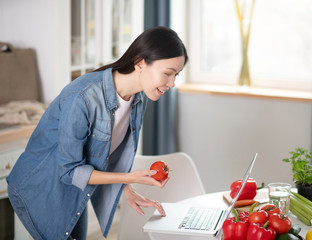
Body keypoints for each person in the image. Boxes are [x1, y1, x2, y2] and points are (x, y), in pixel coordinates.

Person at [6, 26, 188, 240]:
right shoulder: (83, 97)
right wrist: (128, 177)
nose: (172, 83)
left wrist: (126, 189)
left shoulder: (139, 99)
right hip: (40, 188)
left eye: (176, 74)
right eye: (167, 73)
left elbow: (102, 154)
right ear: (140, 63)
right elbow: (69, 171)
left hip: (75, 190)